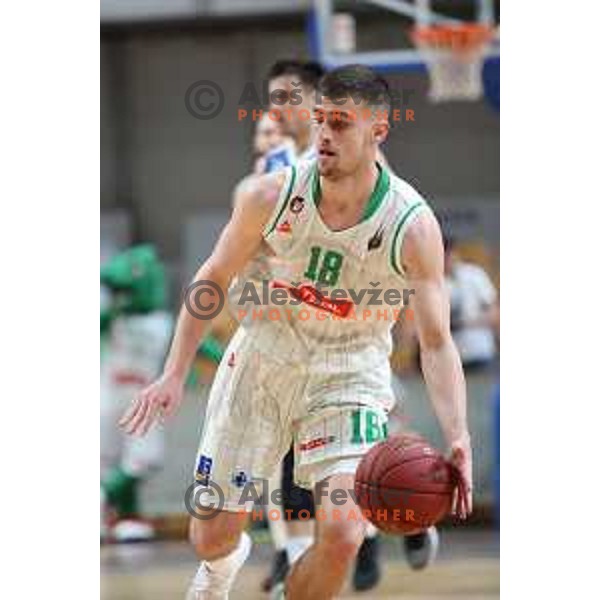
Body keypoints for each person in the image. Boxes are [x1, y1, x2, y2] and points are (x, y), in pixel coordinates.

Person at [120, 65, 472, 600]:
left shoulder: (411, 225)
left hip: (348, 373)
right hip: (263, 359)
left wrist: (458, 435)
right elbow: (211, 279)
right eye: (321, 121)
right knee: (210, 535)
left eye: (341, 123)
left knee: (344, 531)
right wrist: (173, 372)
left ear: (378, 130)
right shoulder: (271, 195)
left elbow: (437, 342)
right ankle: (222, 565)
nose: (325, 134)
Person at [100, 245, 173, 542]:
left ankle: (126, 517)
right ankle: (103, 499)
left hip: (126, 397)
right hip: (125, 397)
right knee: (135, 462)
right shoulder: (115, 316)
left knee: (128, 463)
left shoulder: (158, 319)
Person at [444, 237, 498, 371]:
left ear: (454, 253)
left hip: (479, 352)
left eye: (448, 254)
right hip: (449, 358)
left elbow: (495, 313)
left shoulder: (474, 275)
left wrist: (466, 322)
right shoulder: (434, 283)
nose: (446, 260)